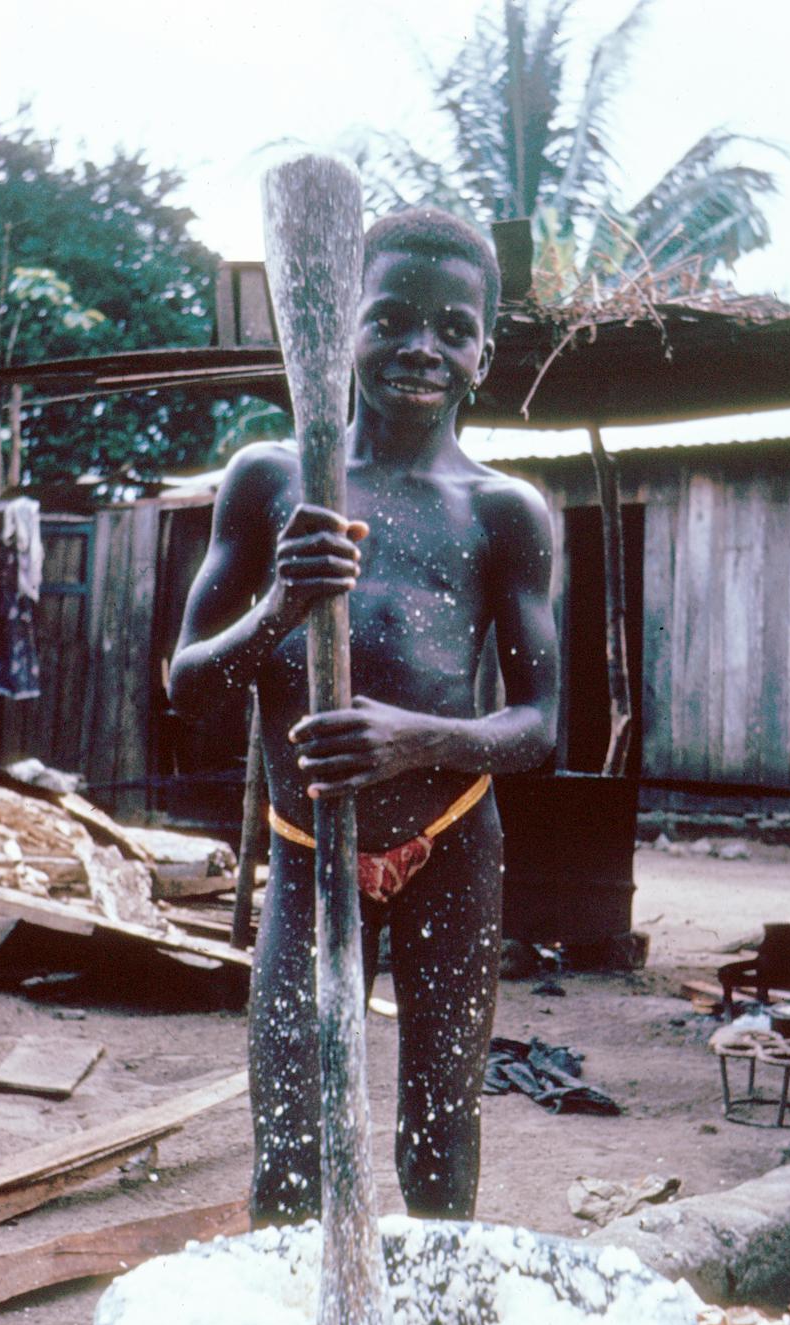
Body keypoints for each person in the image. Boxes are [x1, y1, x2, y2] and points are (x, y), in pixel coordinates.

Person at [169, 207, 559, 1226]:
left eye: (451, 327)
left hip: (452, 846)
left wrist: (421, 737)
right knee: (291, 1146)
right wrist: (281, 608)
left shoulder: (501, 511)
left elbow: (537, 724)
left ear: (483, 350)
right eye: (390, 319)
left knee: (440, 1135)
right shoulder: (271, 483)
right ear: (342, 329)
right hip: (309, 851)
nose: (420, 348)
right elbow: (188, 686)